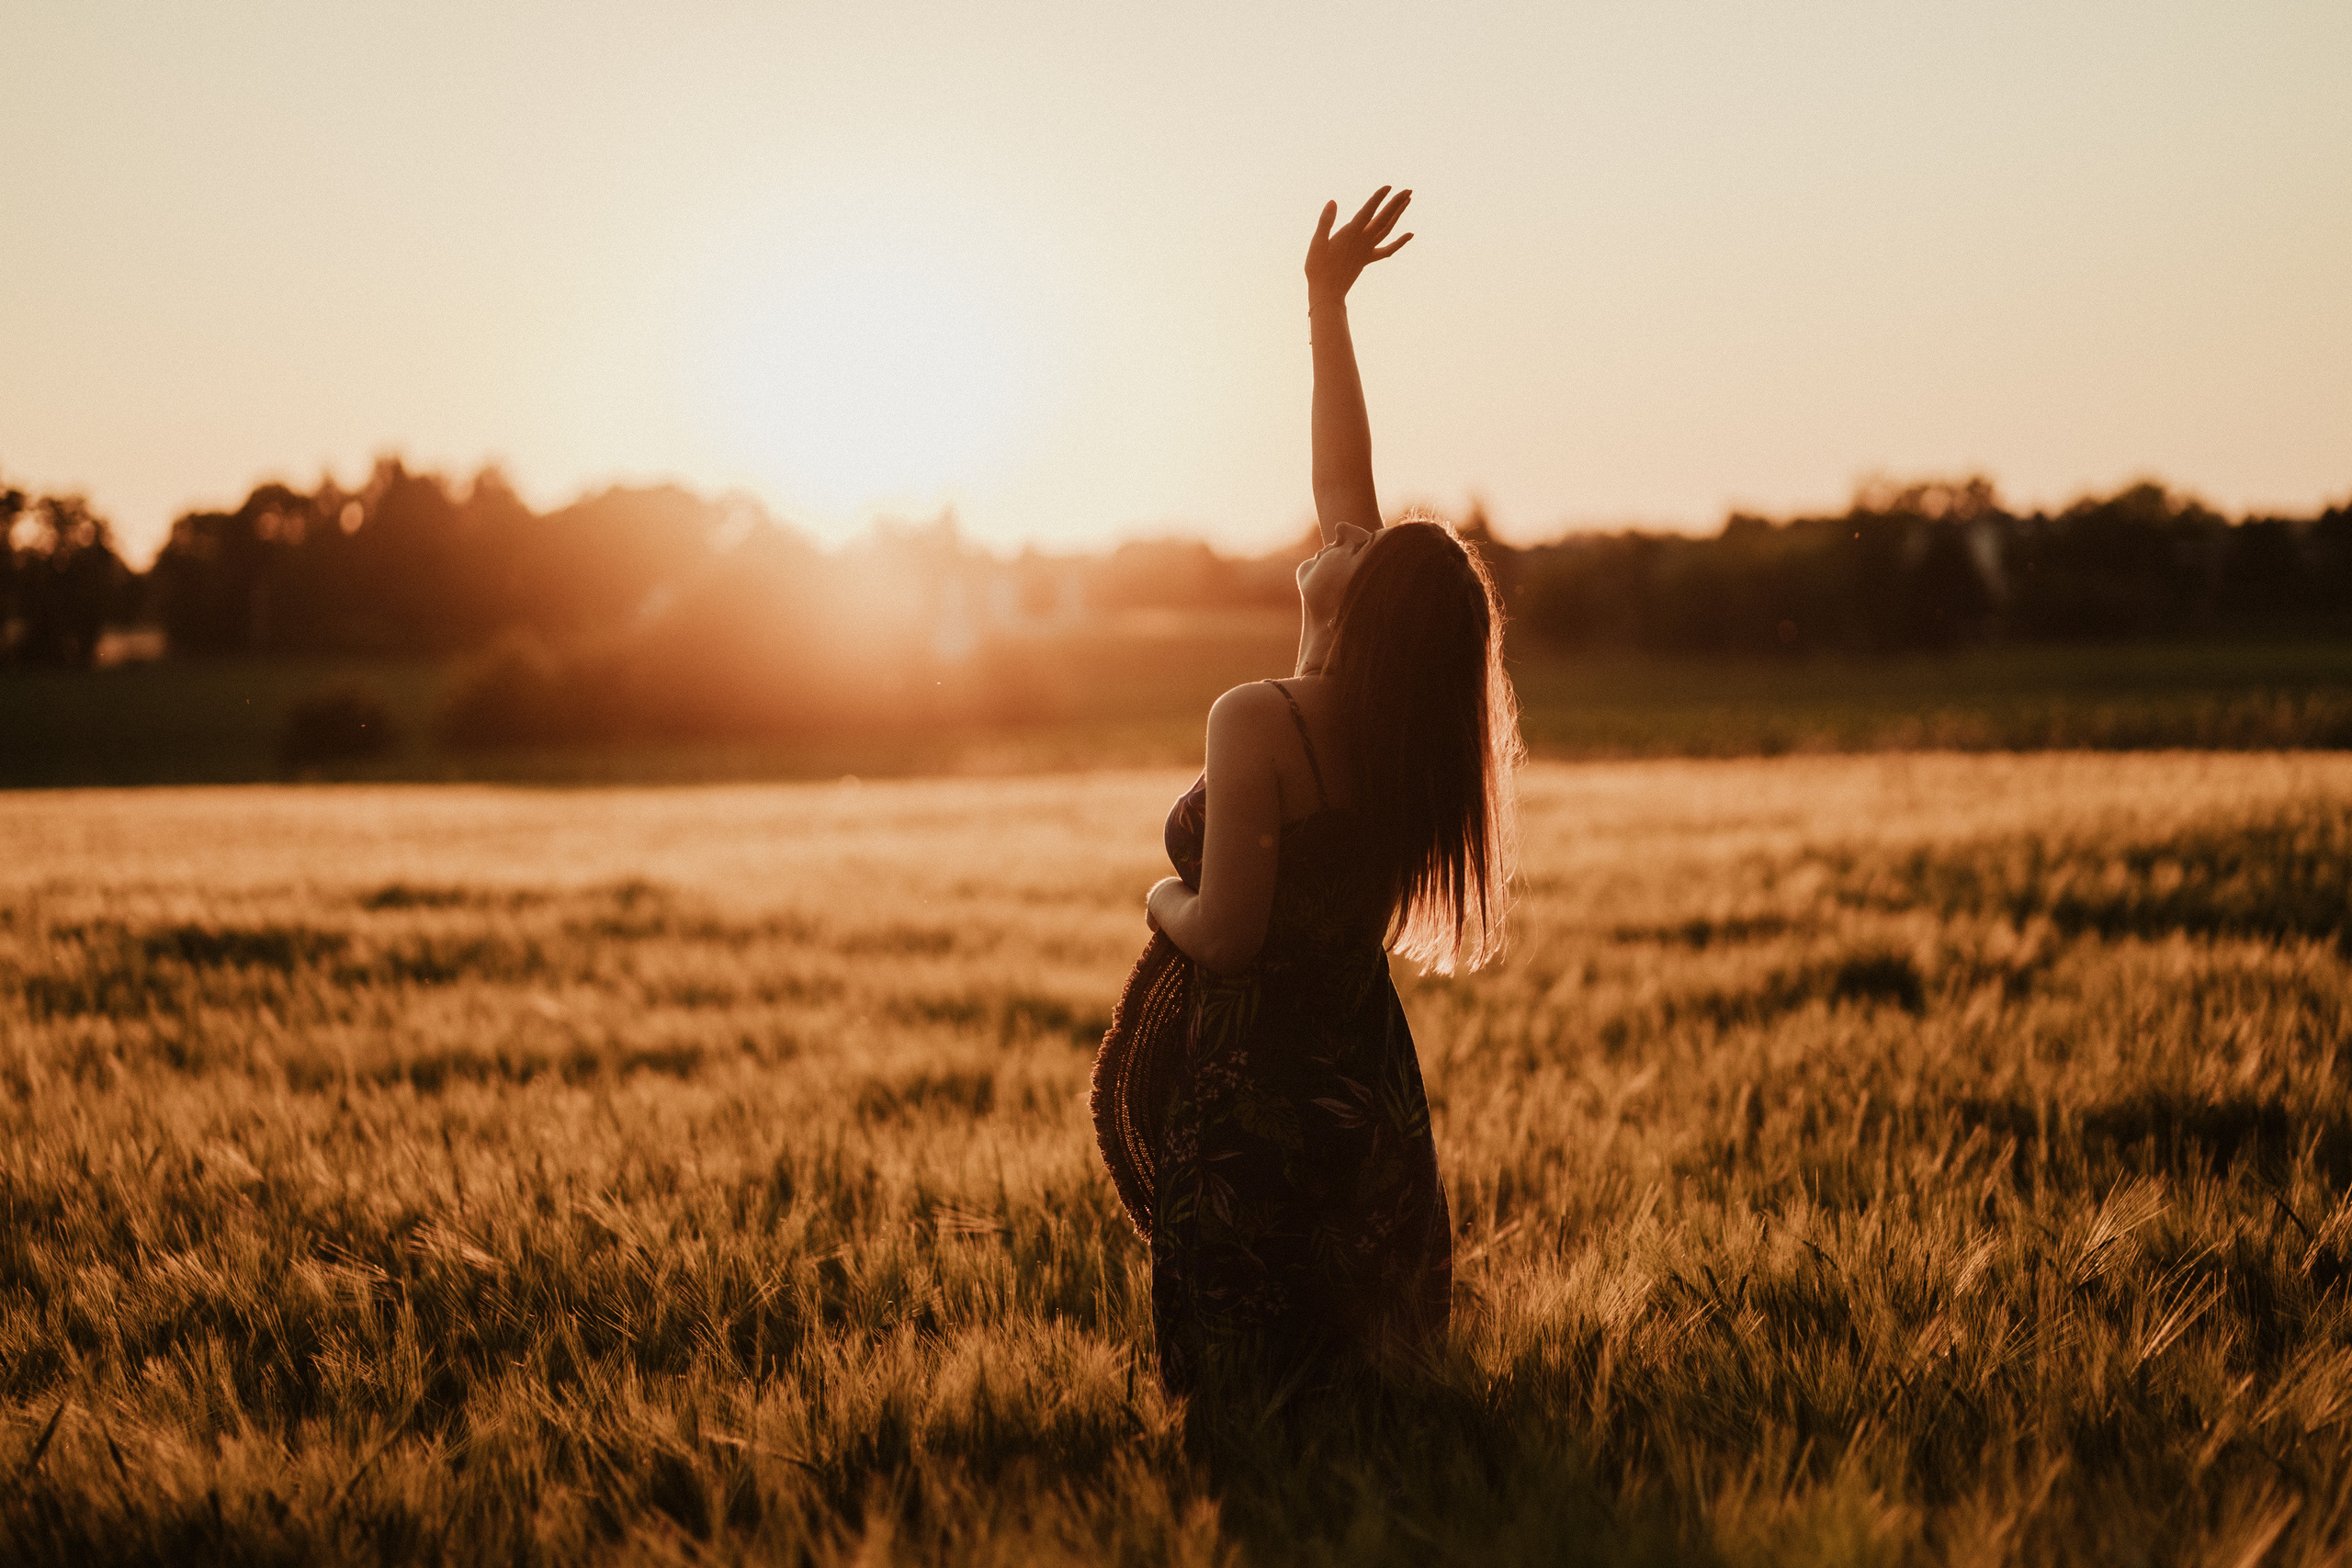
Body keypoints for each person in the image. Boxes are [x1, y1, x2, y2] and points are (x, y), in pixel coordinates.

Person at [1091, 186, 1521, 1404]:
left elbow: (1226, 933)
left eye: (1363, 547)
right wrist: (1324, 304)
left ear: (1360, 604)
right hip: (1366, 1088)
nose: (1342, 530)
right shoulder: (1399, 731)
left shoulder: (1258, 719)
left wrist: (1160, 893)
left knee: (1252, 1407)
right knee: (1368, 1379)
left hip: (1258, 1097)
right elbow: (1346, 471)